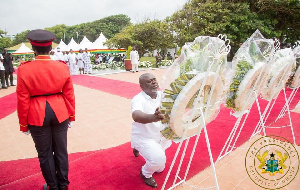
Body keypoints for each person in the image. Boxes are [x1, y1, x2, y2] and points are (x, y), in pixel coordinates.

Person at [16, 29, 75, 190]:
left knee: (45, 153)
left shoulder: (24, 69)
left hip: (36, 113)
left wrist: (23, 124)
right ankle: (63, 184)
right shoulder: (62, 67)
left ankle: (52, 186)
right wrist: (71, 115)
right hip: (60, 110)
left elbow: (22, 99)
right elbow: (69, 93)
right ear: (50, 48)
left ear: (33, 49)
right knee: (61, 151)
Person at [131, 73, 172, 188]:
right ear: (142, 86)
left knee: (160, 169)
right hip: (143, 137)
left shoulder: (162, 95)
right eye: (149, 81)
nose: (154, 82)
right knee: (158, 159)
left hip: (159, 136)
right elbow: (136, 115)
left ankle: (136, 147)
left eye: (154, 79)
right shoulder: (137, 99)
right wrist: (154, 117)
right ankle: (145, 173)